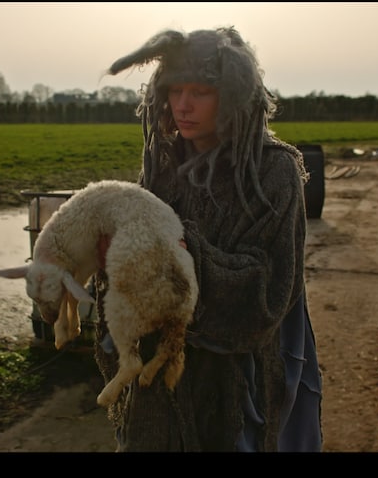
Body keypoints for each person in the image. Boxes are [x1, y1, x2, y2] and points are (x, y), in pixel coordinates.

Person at [92, 26, 323, 452]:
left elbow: (272, 288)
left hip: (235, 382)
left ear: (234, 95)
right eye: (176, 90)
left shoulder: (273, 173)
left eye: (200, 91)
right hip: (160, 376)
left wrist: (188, 258)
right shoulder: (162, 165)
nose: (183, 104)